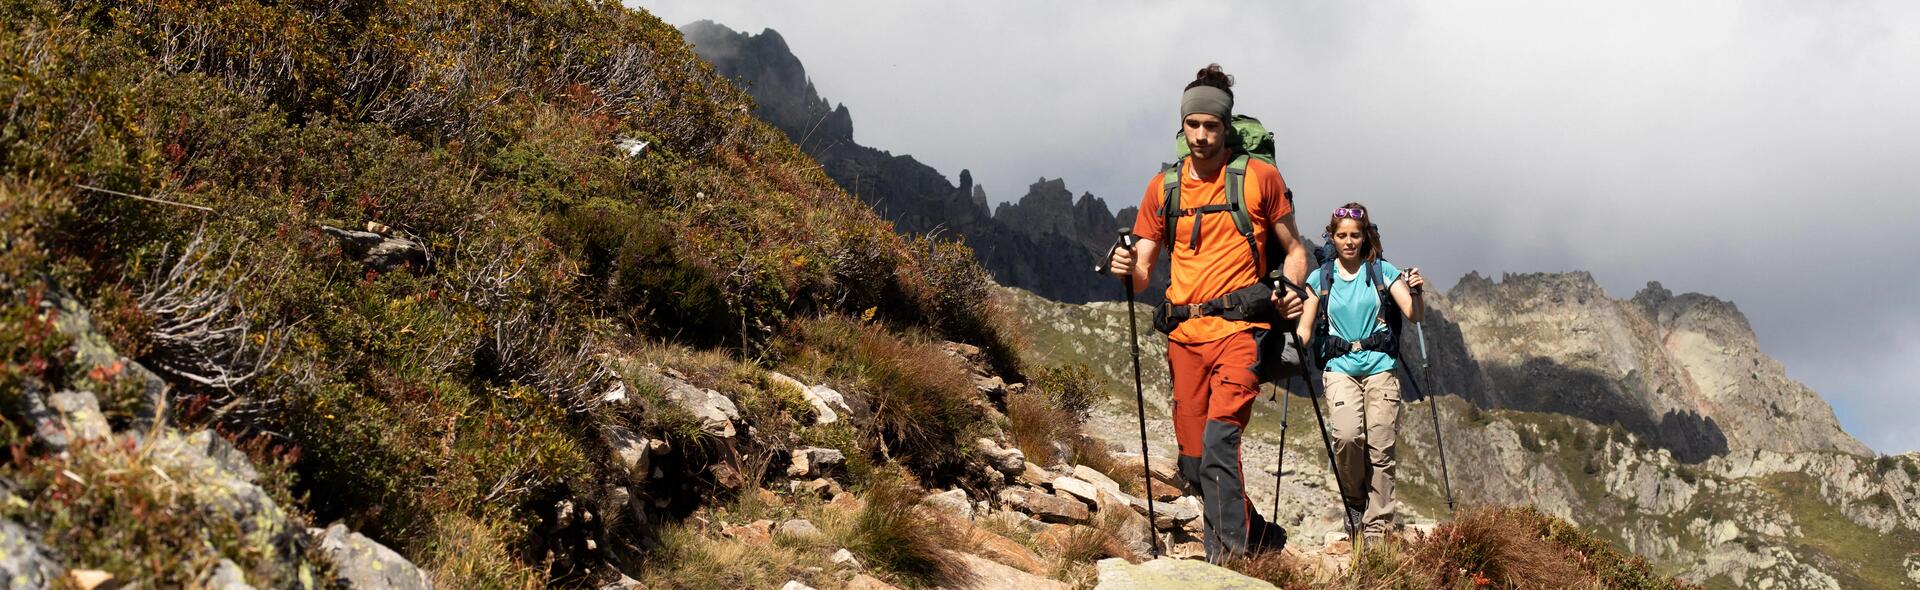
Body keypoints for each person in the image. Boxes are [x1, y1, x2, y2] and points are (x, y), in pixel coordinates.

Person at [1106, 64, 1309, 561]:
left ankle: (1231, 564)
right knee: (1195, 464)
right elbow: (1143, 273)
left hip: (1242, 330)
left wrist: (1290, 286)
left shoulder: (1259, 178)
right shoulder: (1163, 189)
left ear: (1226, 127)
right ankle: (1258, 535)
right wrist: (1124, 265)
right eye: (1192, 125)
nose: (1201, 136)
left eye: (1211, 126)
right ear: (1183, 127)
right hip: (1184, 336)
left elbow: (1297, 250)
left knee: (1221, 443)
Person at [1294, 203, 1425, 541]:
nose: (1349, 242)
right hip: (1339, 368)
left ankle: (1377, 527)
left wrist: (1417, 291)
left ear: (1365, 237)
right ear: (1332, 238)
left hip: (1380, 366)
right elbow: (1306, 328)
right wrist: (1293, 341)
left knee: (1381, 444)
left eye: (1355, 235)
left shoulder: (1382, 271)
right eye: (1342, 236)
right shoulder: (1319, 279)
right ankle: (1354, 499)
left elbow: (1412, 313)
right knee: (1348, 436)